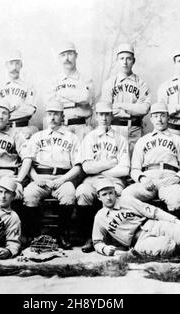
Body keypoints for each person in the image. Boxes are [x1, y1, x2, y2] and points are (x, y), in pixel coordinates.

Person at [20, 100, 83, 249]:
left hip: (63, 177)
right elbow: (28, 163)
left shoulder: (72, 137)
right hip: (40, 177)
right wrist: (36, 178)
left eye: (56, 114)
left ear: (62, 116)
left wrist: (62, 180)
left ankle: (62, 234)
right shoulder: (37, 137)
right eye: (49, 114)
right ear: (46, 117)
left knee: (69, 194)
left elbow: (78, 167)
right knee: (29, 193)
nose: (53, 117)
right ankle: (35, 235)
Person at [76, 100, 130, 252]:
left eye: (107, 114)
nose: (104, 118)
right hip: (92, 179)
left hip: (114, 179)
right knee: (82, 193)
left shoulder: (120, 139)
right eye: (101, 114)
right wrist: (110, 163)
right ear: (96, 116)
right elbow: (86, 168)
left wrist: (99, 169)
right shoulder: (89, 137)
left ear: (112, 116)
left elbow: (124, 169)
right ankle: (89, 237)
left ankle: (114, 237)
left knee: (118, 195)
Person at [121, 102, 180, 214]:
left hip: (169, 179)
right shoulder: (142, 140)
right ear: (151, 118)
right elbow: (135, 169)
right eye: (156, 116)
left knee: (177, 200)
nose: (159, 120)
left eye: (162, 116)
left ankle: (172, 229)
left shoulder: (178, 140)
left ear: (168, 117)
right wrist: (143, 179)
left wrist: (176, 179)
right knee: (126, 195)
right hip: (148, 179)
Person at [100, 43, 151, 153]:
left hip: (135, 130)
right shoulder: (109, 83)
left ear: (134, 60)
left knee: (134, 164)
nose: (125, 62)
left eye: (128, 59)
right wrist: (132, 111)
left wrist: (119, 105)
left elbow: (143, 109)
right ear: (117, 60)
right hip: (115, 128)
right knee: (115, 163)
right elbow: (107, 109)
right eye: (122, 58)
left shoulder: (141, 84)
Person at [47, 41, 94, 140]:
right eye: (63, 55)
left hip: (81, 127)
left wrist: (61, 93)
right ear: (59, 58)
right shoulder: (54, 81)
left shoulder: (86, 79)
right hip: (60, 127)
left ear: (76, 56)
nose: (67, 58)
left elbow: (85, 98)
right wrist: (76, 99)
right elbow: (50, 103)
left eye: (70, 54)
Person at [0, 49, 38, 140]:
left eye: (17, 63)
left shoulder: (29, 86)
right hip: (2, 130)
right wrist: (16, 108)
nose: (14, 67)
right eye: (11, 63)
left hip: (22, 129)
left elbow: (30, 110)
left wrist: (5, 112)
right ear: (6, 65)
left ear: (21, 65)